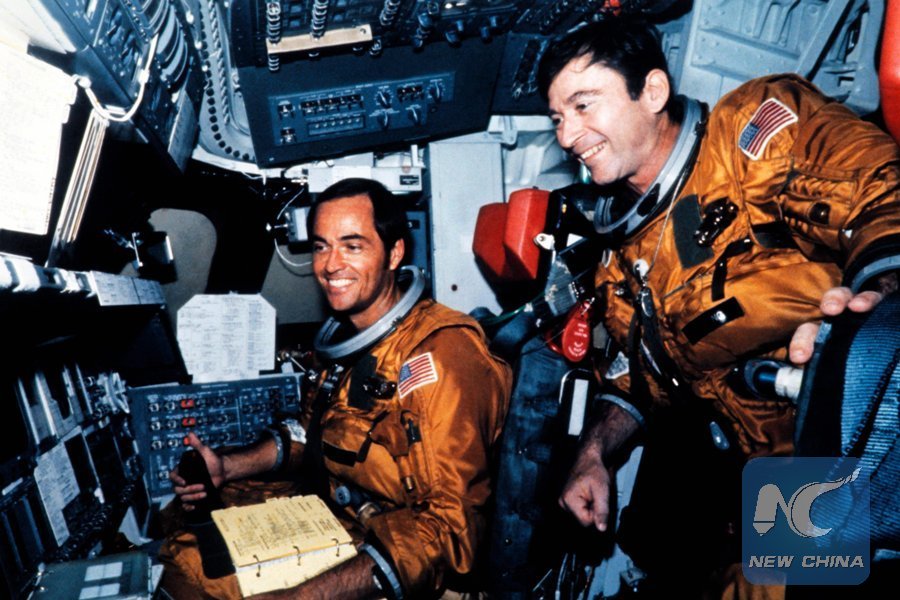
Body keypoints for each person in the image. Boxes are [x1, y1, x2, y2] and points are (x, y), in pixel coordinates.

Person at [537, 17, 900, 595]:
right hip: (748, 473)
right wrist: (595, 452)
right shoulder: (623, 259)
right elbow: (635, 379)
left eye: (583, 105)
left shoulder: (747, 138)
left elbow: (874, 190)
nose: (567, 135)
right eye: (558, 117)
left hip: (832, 448)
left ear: (652, 92)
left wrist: (881, 299)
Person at [158, 178, 511, 599]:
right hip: (340, 518)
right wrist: (228, 467)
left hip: (402, 558)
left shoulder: (439, 355)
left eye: (352, 246)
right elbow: (309, 435)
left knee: (198, 572)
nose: (330, 265)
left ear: (394, 253)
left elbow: (449, 530)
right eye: (322, 246)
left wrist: (301, 596)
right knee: (183, 527)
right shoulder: (345, 344)